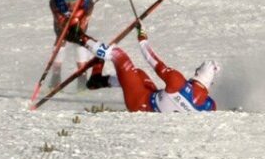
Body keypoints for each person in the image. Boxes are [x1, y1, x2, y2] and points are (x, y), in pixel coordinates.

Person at [79, 27, 219, 113]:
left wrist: (142, 37)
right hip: (152, 101)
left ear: (197, 73)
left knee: (119, 56)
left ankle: (80, 38)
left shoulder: (178, 82)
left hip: (140, 101)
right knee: (138, 74)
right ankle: (98, 81)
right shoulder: (210, 105)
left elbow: (152, 60)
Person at [48, 0, 104, 89]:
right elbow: (58, 17)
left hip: (79, 22)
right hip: (61, 25)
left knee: (80, 42)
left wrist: (77, 27)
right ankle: (56, 75)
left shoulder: (87, 2)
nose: (70, 2)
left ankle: (82, 76)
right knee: (61, 39)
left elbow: (85, 20)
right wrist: (64, 21)